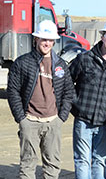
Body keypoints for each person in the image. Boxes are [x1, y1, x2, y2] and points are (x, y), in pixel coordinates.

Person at [7, 20, 75, 179]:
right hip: (29, 121)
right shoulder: (22, 63)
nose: (47, 43)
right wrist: (21, 119)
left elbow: (69, 91)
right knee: (28, 164)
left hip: (53, 122)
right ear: (36, 39)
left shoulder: (60, 64)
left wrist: (61, 118)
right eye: (43, 39)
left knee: (52, 165)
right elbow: (13, 91)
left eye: (50, 40)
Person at [69, 19, 106, 179]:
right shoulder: (84, 59)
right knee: (82, 161)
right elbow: (67, 81)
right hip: (83, 120)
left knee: (100, 161)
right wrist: (76, 103)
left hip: (104, 123)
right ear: (102, 37)